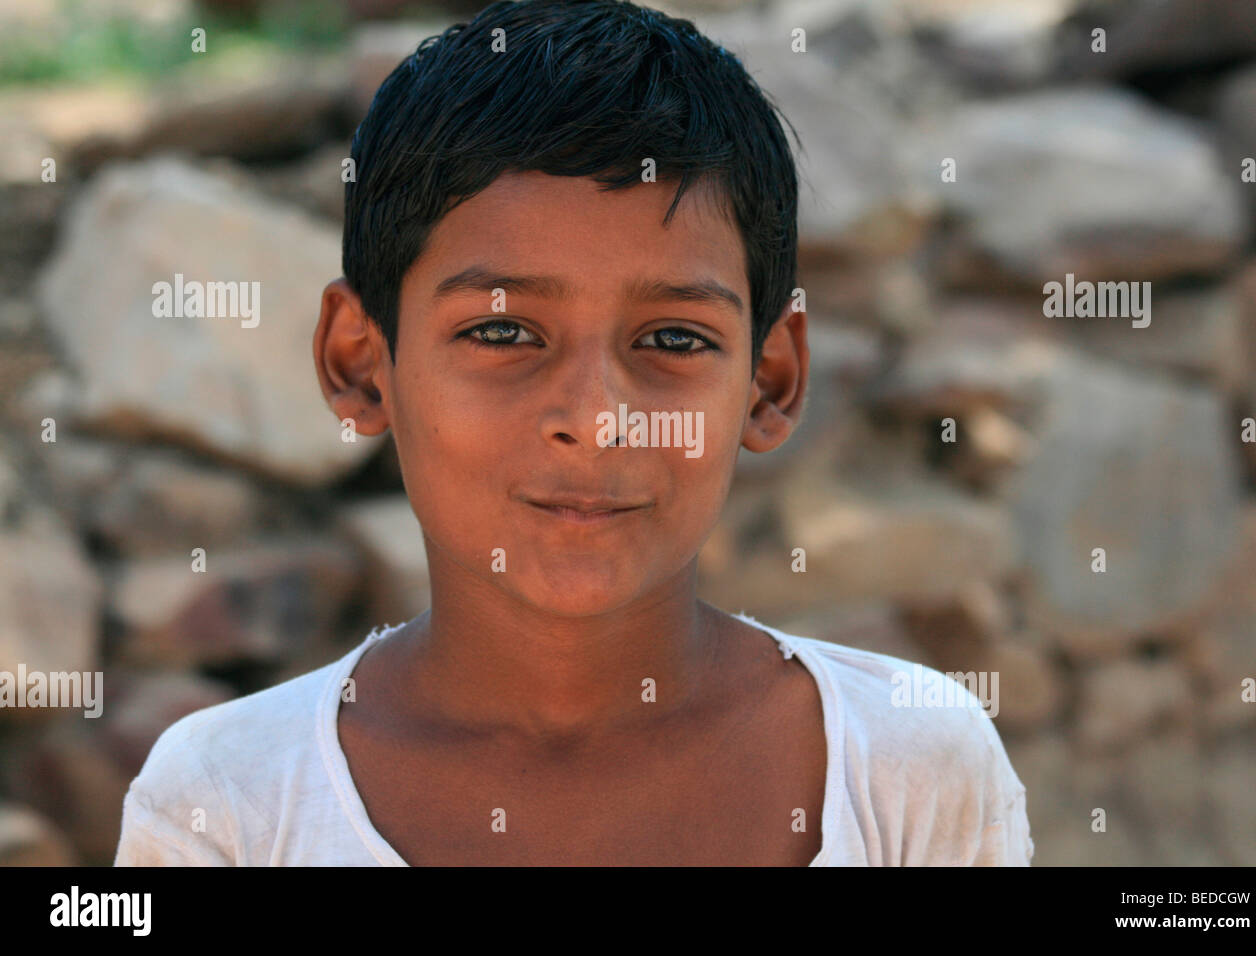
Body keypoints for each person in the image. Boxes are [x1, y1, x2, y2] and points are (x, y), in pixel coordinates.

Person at [114, 0, 1032, 866]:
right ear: (360, 363)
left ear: (771, 380)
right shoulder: (231, 802)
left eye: (674, 340)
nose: (597, 421)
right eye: (503, 332)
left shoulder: (911, 770)